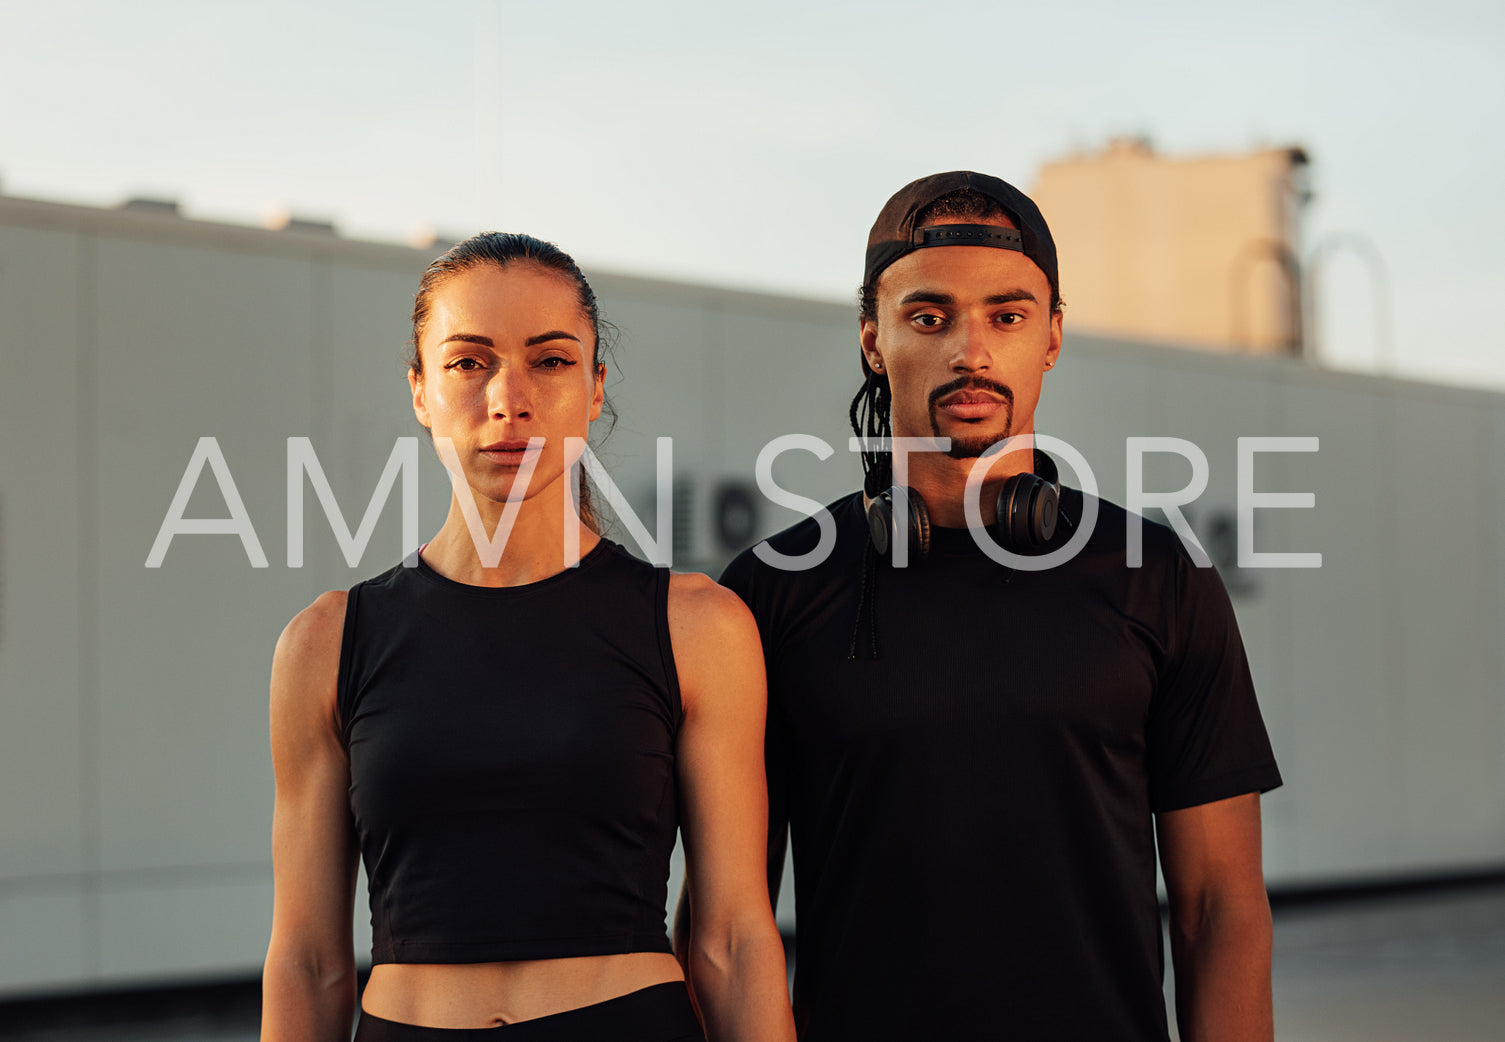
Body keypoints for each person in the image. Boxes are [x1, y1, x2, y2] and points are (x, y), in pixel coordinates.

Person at [676, 172, 1283, 1040]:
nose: (971, 350)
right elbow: (720, 933)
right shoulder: (771, 596)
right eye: (928, 318)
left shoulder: (1159, 578)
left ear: (1052, 337)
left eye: (1007, 315)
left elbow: (1220, 908)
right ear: (871, 340)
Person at [262, 232, 795, 1042]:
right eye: (468, 362)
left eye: (549, 361)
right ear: (419, 391)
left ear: (593, 387)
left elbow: (732, 940)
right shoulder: (326, 642)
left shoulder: (696, 626)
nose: (508, 399)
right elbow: (308, 960)